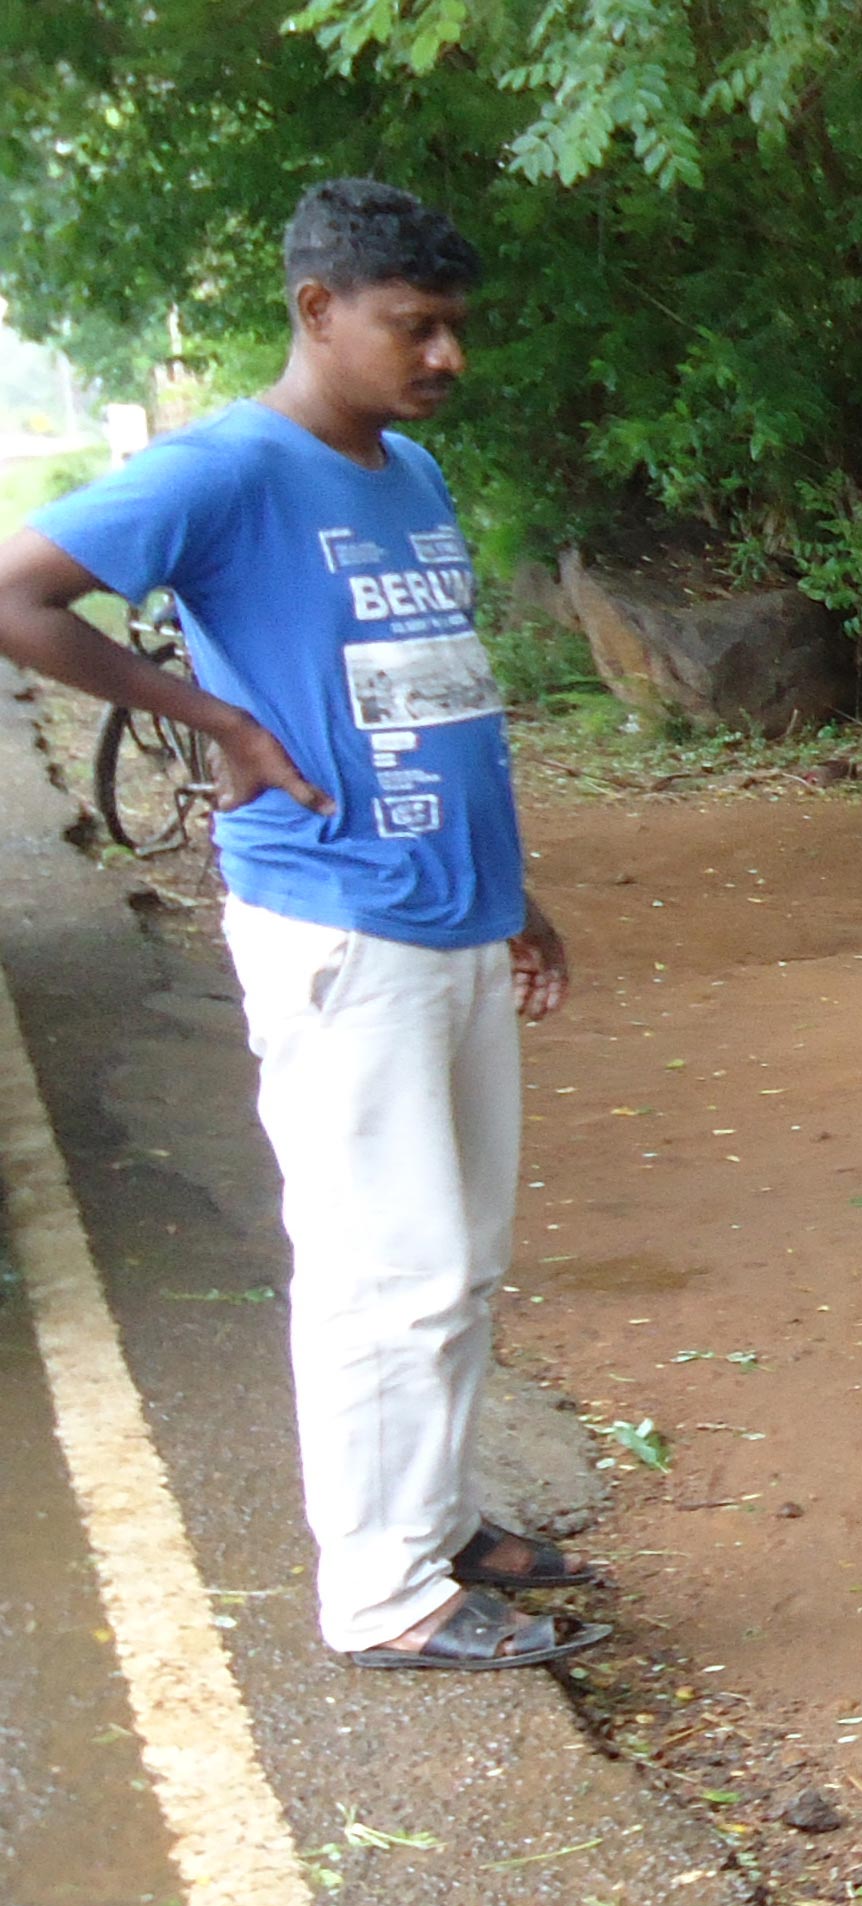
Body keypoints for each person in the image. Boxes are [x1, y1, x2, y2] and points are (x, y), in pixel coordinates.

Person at [0, 179, 599, 1671]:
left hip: (450, 912)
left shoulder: (407, 472)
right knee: (382, 1268)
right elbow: (17, 592)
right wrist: (214, 721)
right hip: (342, 924)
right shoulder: (226, 470)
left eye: (457, 329)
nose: (446, 357)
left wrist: (508, 892)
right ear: (317, 310)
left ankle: (441, 1522)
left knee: (456, 1256)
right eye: (417, 327)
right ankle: (386, 1598)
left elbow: (431, 696)